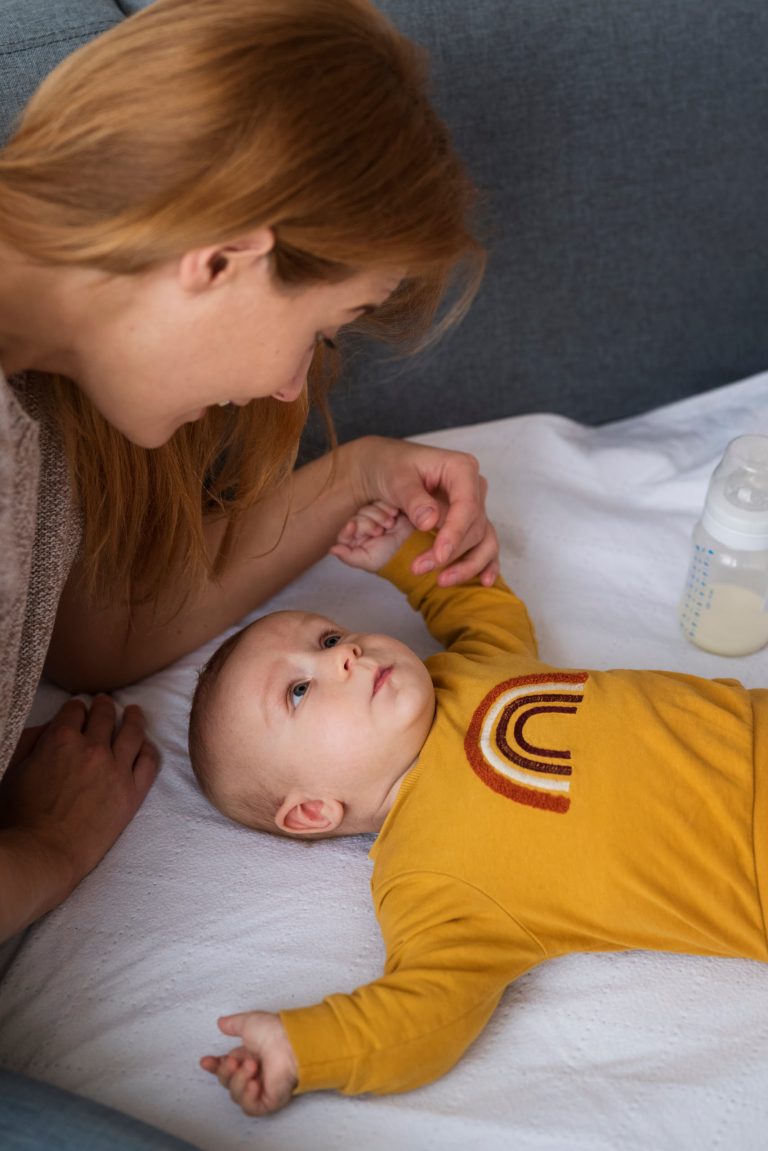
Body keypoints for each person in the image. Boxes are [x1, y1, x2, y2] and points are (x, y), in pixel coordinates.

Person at [0, 0, 498, 1146]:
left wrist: (352, 479)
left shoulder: (33, 388)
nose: (291, 389)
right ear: (220, 259)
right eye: (327, 326)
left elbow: (79, 638)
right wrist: (47, 850)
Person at [191, 502, 768, 1116]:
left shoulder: (463, 670)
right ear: (312, 812)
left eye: (330, 636)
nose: (344, 655)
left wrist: (406, 555)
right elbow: (427, 1012)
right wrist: (304, 1047)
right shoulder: (430, 876)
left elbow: (479, 605)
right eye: (299, 690)